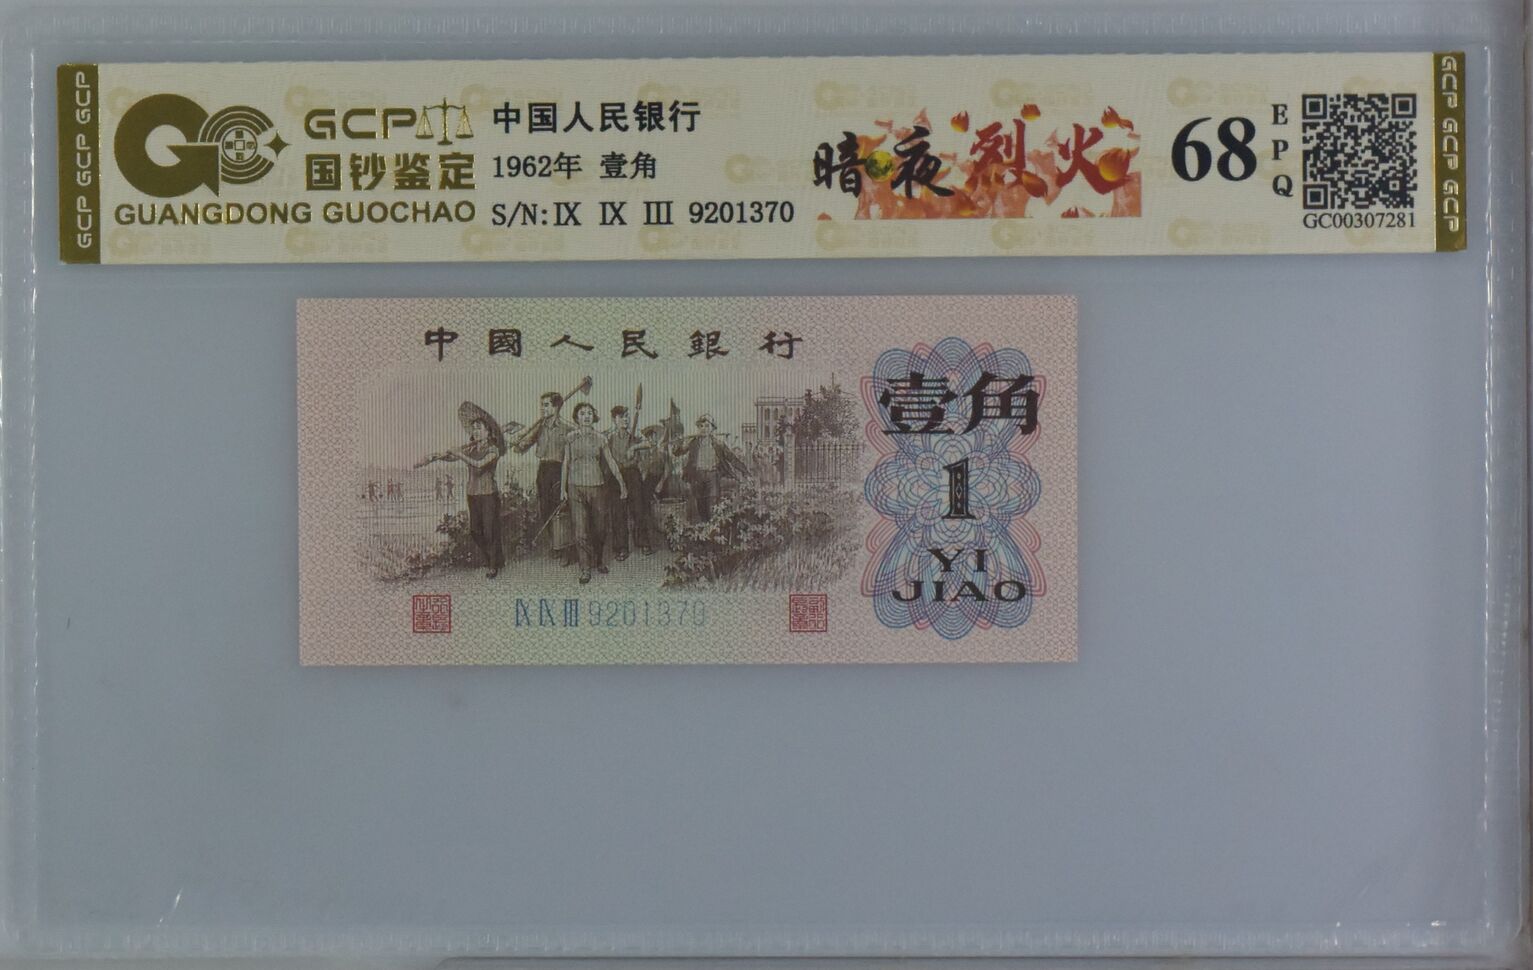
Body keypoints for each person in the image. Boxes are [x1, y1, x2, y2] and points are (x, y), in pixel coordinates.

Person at [562, 402, 627, 584]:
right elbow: (566, 463)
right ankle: (585, 568)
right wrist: (562, 489)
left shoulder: (601, 438)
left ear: (594, 417)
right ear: (577, 417)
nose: (586, 416)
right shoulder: (570, 438)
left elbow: (611, 462)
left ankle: (598, 560)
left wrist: (622, 484)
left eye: (590, 413)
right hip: (575, 488)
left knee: (600, 528)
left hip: (597, 488)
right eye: (582, 413)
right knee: (580, 531)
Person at [511, 391, 574, 565]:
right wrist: (516, 441)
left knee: (561, 509)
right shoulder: (539, 427)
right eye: (542, 405)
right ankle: (556, 544)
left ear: (556, 407)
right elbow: (520, 447)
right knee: (545, 509)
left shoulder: (568, 428)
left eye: (546, 405)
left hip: (560, 470)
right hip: (543, 470)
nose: (542, 408)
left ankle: (566, 549)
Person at [447, 417, 505, 577]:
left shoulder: (493, 450)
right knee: (474, 531)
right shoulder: (471, 449)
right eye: (474, 428)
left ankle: (493, 565)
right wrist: (442, 455)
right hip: (472, 494)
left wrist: (460, 454)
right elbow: (451, 457)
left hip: (488, 494)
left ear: (488, 432)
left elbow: (479, 465)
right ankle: (494, 558)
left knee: (489, 530)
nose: (475, 431)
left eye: (479, 428)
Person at [677, 414, 747, 522]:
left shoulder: (718, 444)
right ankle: (705, 527)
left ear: (712, 428)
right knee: (701, 506)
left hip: (712, 476)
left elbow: (732, 458)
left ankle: (712, 527)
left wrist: (745, 471)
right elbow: (678, 453)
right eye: (701, 426)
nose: (704, 429)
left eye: (707, 426)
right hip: (698, 477)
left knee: (712, 505)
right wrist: (679, 443)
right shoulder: (693, 443)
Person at [605, 405, 653, 558]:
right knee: (618, 512)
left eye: (627, 416)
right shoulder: (609, 436)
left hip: (632, 474)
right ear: (614, 419)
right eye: (621, 417)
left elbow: (649, 443)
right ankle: (621, 547)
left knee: (638, 509)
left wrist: (634, 448)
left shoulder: (635, 433)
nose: (625, 419)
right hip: (615, 476)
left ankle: (643, 542)